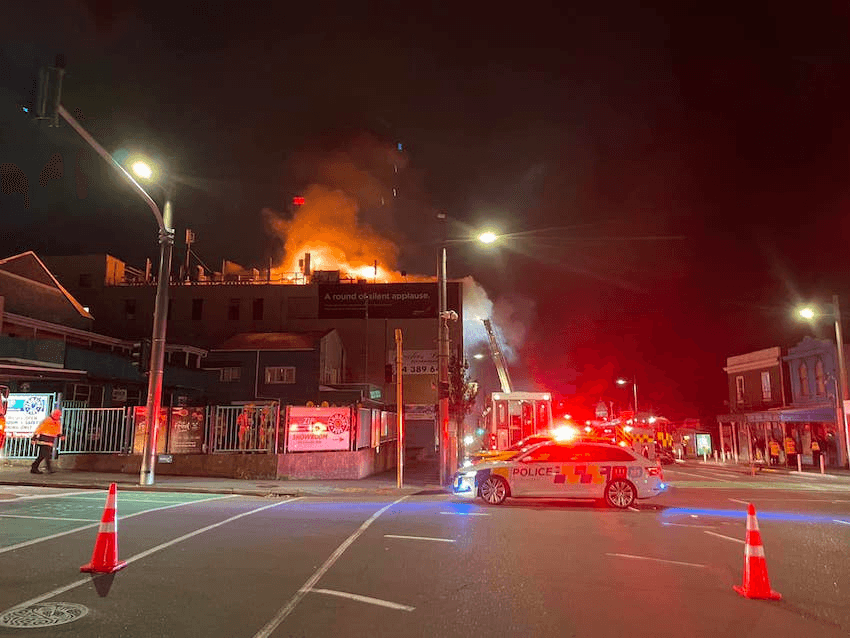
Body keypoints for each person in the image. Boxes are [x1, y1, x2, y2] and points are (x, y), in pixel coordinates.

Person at [31, 409, 64, 474]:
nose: (57, 416)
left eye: (58, 415)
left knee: (43, 455)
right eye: (57, 415)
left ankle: (35, 467)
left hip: (50, 440)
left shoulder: (57, 422)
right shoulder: (47, 420)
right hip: (44, 440)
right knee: (46, 454)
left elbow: (58, 431)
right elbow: (39, 429)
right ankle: (48, 468)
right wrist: (34, 438)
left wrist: (61, 435)